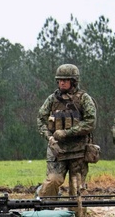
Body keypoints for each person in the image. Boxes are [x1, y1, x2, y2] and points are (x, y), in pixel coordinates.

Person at [36, 63, 97, 197]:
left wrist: (67, 132)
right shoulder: (52, 99)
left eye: (65, 80)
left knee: (77, 188)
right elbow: (41, 119)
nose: (61, 83)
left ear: (74, 81)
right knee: (52, 181)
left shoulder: (84, 99)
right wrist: (49, 137)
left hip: (78, 152)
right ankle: (46, 212)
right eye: (59, 80)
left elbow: (90, 122)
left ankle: (77, 215)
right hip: (57, 150)